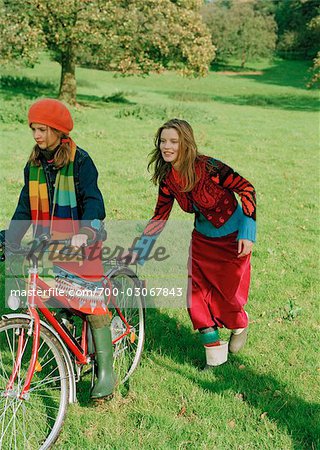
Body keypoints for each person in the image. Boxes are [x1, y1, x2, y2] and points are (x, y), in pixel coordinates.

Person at [1, 98, 116, 399]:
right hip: (49, 243)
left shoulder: (81, 161)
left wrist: (87, 230)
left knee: (91, 303)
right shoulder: (34, 165)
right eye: (34, 129)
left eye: (43, 129)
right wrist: (11, 239)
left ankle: (106, 370)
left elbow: (94, 200)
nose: (37, 135)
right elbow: (26, 207)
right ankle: (59, 343)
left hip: (81, 242)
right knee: (47, 295)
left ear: (58, 130)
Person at [127, 118, 256, 369]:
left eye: (173, 141)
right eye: (163, 141)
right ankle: (215, 360)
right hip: (202, 242)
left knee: (227, 298)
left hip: (233, 241)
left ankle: (239, 323)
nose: (167, 146)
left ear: (185, 143)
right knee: (195, 298)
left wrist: (248, 231)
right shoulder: (168, 178)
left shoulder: (210, 168)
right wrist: (139, 252)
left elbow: (246, 188)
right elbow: (160, 216)